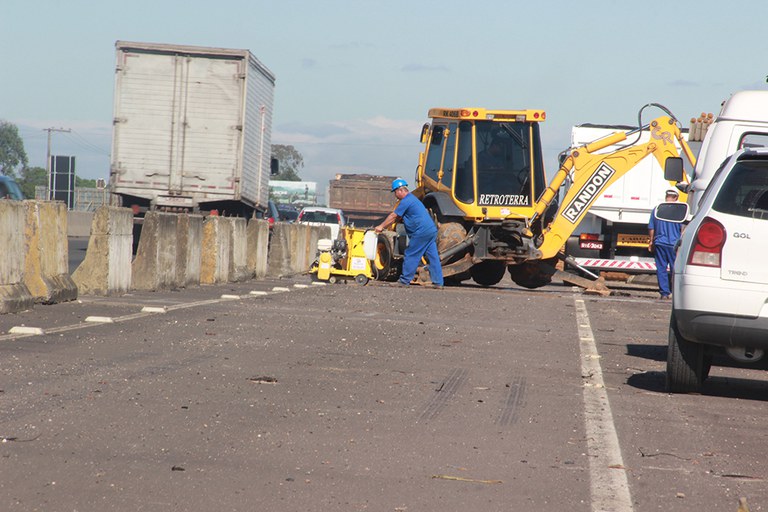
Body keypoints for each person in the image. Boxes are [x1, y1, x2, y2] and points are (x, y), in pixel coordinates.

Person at [374, 178, 444, 288]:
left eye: (395, 192)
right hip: (430, 231)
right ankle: (438, 282)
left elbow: (393, 216)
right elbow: (400, 217)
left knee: (411, 254)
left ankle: (404, 280)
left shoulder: (406, 201)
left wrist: (381, 226)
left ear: (400, 190)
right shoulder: (413, 199)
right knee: (433, 256)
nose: (395, 195)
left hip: (421, 232)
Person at [648, 188, 682, 299]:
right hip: (674, 244)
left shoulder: (657, 209)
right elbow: (683, 228)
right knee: (675, 269)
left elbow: (651, 227)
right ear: (676, 197)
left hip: (660, 243)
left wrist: (651, 241)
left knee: (661, 268)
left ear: (666, 196)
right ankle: (674, 292)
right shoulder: (680, 211)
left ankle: (664, 293)